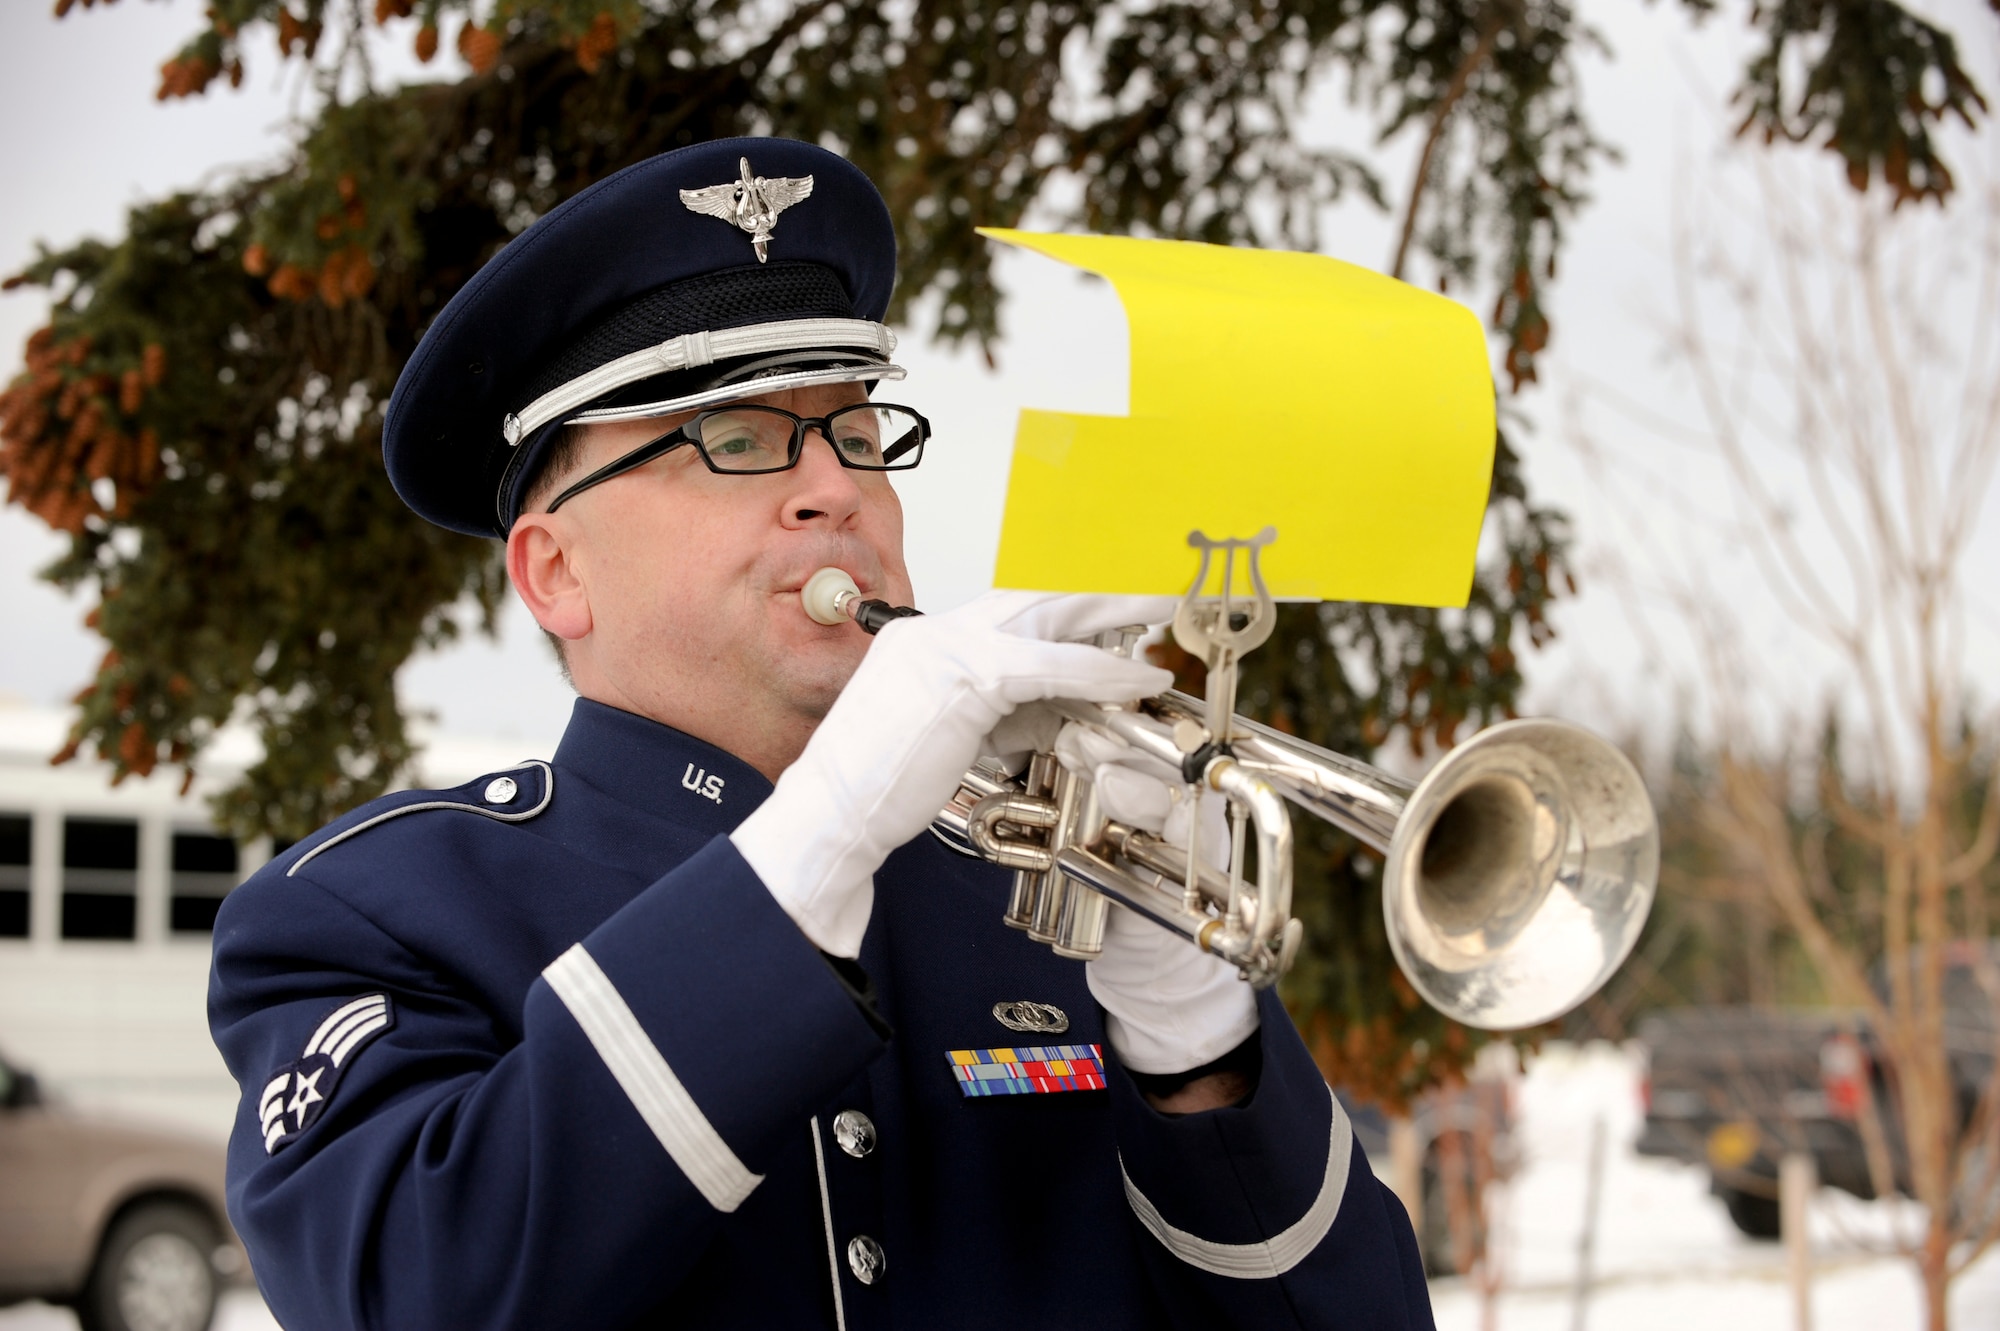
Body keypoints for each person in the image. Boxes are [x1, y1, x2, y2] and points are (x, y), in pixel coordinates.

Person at [209, 136, 1435, 1330]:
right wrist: (815, 842)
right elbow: (420, 1289)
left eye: (856, 432)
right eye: (733, 438)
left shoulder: (1046, 882)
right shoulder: (374, 910)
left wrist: (1199, 1045)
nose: (835, 486)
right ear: (554, 571)